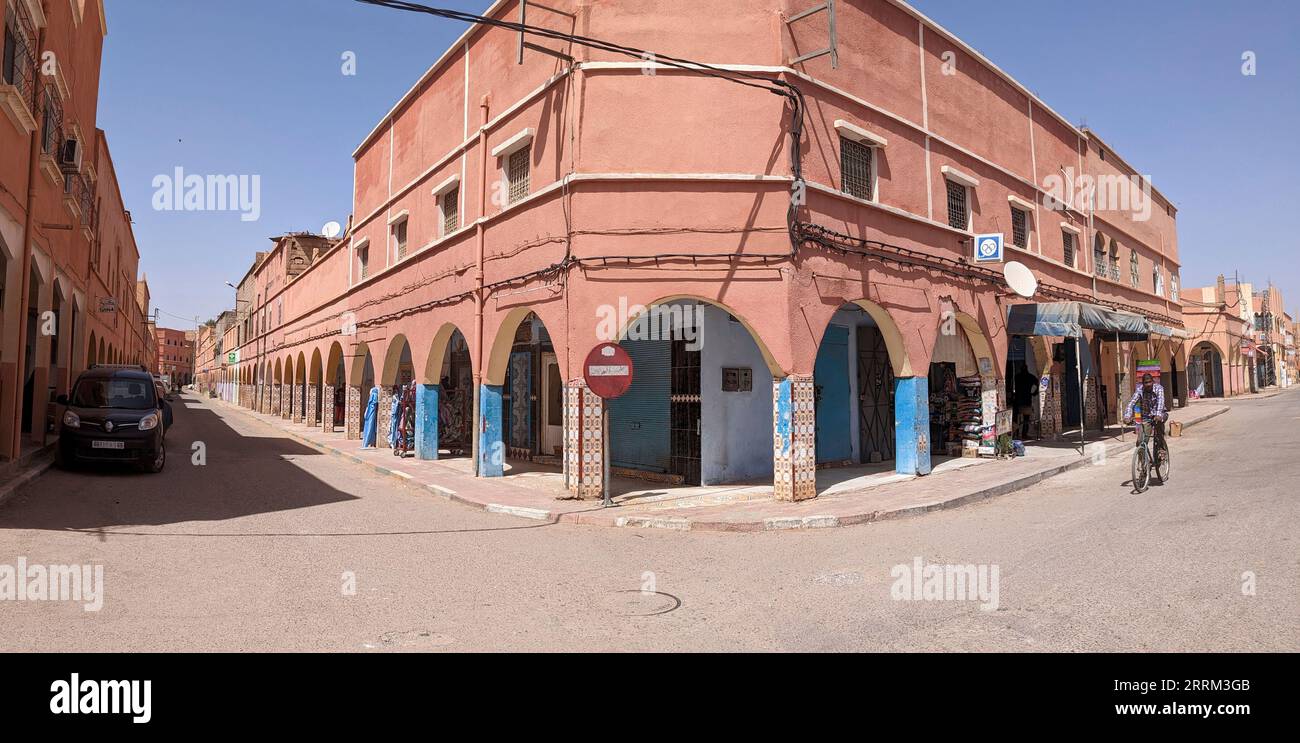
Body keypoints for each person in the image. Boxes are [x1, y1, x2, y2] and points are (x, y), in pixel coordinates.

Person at [1123, 373, 1167, 452]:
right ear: (1143, 383)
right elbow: (1131, 403)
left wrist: (1158, 415)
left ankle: (1161, 449)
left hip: (1160, 414)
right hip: (1146, 417)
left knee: (1159, 430)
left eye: (1150, 382)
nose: (1148, 384)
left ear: (1153, 382)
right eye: (1146, 383)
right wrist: (1127, 416)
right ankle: (1143, 462)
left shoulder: (1159, 388)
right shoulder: (1140, 390)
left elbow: (1161, 401)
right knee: (1140, 441)